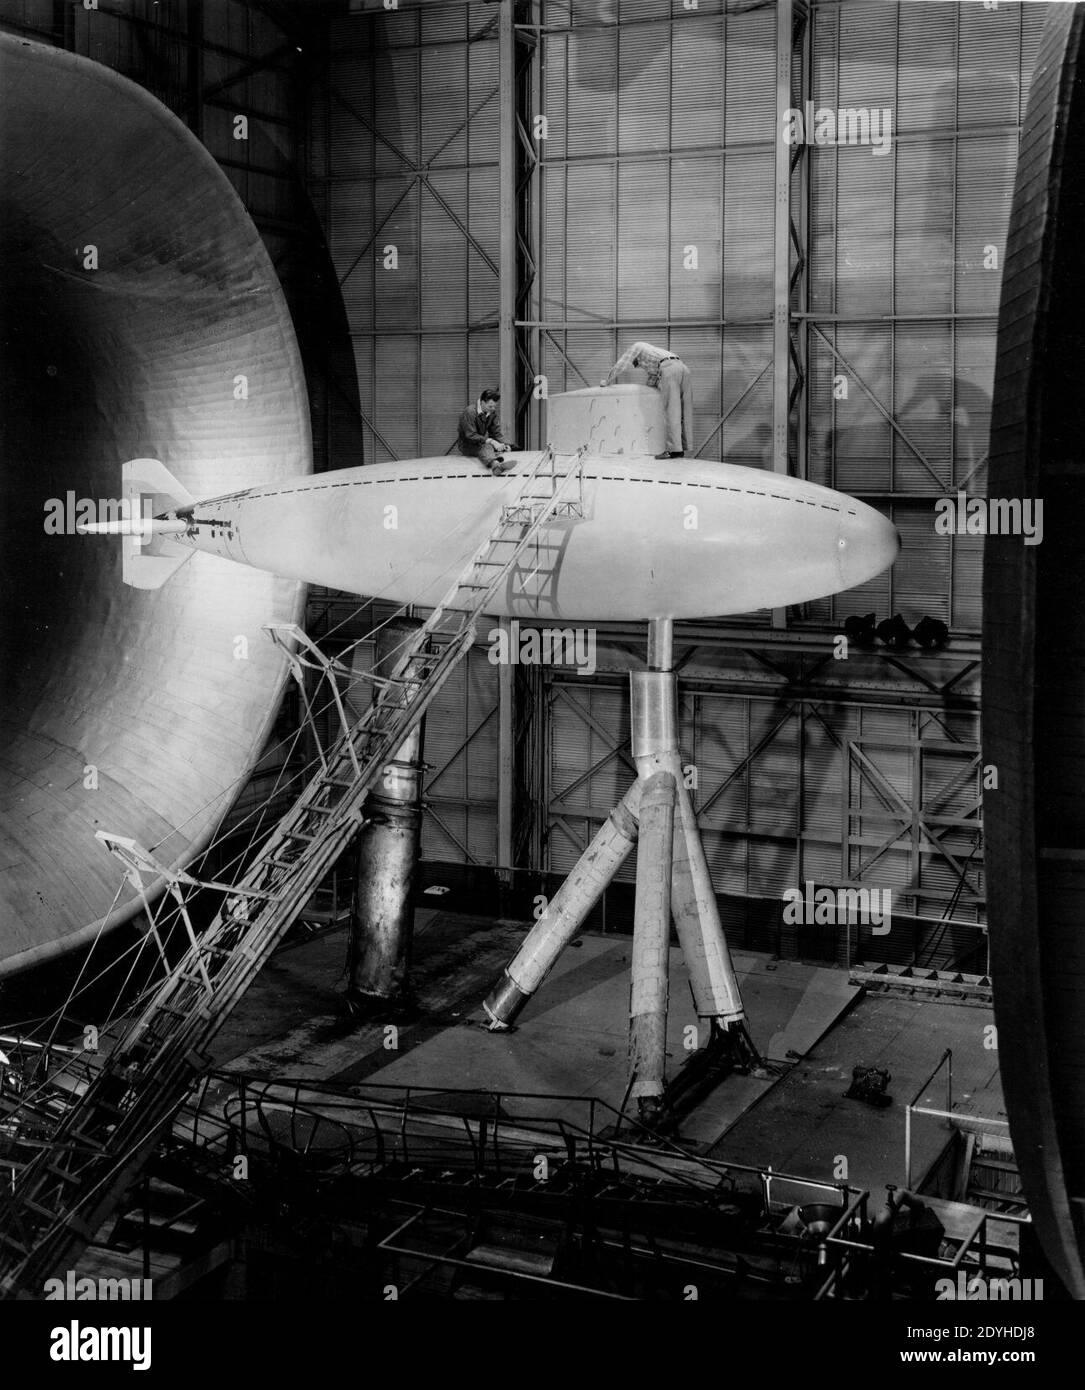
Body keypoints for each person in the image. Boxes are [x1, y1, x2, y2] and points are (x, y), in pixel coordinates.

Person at [602, 341, 693, 458]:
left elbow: (622, 364)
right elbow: (652, 379)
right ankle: (682, 448)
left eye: (636, 363)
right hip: (683, 368)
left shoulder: (637, 347)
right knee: (684, 410)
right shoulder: (654, 355)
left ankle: (674, 451)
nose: (638, 365)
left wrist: (607, 380)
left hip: (670, 370)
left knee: (671, 410)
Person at [457, 387, 513, 472]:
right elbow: (470, 435)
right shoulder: (470, 412)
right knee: (486, 447)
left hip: (480, 441)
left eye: (494, 406)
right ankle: (495, 465)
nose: (493, 409)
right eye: (490, 406)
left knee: (500, 446)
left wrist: (505, 444)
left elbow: (496, 433)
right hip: (467, 445)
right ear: (482, 402)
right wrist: (491, 441)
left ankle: (494, 457)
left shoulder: (491, 412)